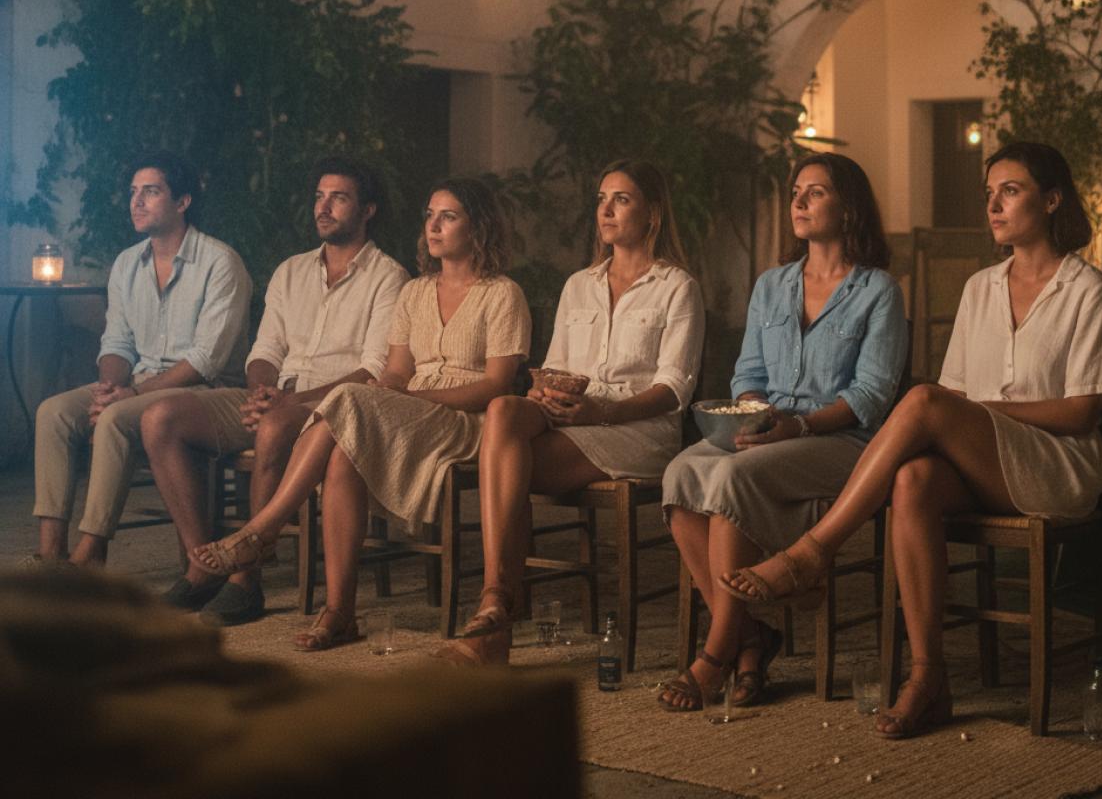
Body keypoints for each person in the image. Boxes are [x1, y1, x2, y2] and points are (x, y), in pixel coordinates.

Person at [719, 141, 1102, 739]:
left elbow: (1084, 410)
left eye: (1009, 191)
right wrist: (972, 415)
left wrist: (985, 412)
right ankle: (928, 677)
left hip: (1057, 466)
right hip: (987, 459)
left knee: (923, 400)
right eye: (989, 194)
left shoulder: (1089, 289)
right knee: (912, 479)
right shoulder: (981, 287)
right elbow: (957, 394)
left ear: (1053, 199)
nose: (993, 205)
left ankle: (813, 552)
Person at [187, 177, 531, 650]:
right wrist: (389, 394)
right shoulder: (415, 292)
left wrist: (410, 399)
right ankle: (340, 612)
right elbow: (394, 373)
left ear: (479, 227)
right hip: (412, 410)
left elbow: (498, 385)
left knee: (347, 400)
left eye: (448, 216)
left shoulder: (502, 293)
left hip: (467, 420)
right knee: (343, 454)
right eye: (430, 215)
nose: (434, 226)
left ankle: (262, 529)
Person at [657, 153, 907, 711]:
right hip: (770, 429)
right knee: (681, 474)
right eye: (797, 191)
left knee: (733, 477)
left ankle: (718, 653)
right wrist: (751, 412)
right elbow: (748, 374)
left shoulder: (879, 291)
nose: (798, 201)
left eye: (815, 192)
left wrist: (797, 424)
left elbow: (871, 396)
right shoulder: (771, 285)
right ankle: (754, 635)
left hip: (841, 441)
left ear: (848, 208)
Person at [437, 159, 706, 666]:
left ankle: (494, 612)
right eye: (602, 199)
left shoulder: (677, 286)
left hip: (638, 430)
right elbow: (556, 365)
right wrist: (545, 391)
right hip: (573, 416)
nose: (605, 209)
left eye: (621, 199)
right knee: (504, 409)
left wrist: (601, 411)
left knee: (503, 469)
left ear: (652, 214)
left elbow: (675, 389)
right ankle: (496, 606)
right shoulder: (578, 284)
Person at [141, 157, 408, 625]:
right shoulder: (291, 271)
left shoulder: (390, 277)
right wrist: (264, 390)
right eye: (319, 197)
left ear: (367, 210)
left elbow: (372, 371)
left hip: (330, 406)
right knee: (159, 418)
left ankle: (246, 580)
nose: (323, 208)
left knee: (274, 426)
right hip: (271, 396)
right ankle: (201, 565)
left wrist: (289, 403)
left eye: (338, 198)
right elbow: (264, 350)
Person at [31, 152, 251, 567]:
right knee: (53, 413)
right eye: (134, 192)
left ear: (182, 201)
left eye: (151, 192)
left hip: (201, 390)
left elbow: (205, 360)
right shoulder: (128, 263)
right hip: (139, 382)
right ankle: (49, 553)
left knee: (116, 418)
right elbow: (116, 342)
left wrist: (127, 395)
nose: (137, 202)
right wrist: (109, 388)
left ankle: (88, 553)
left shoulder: (221, 262)